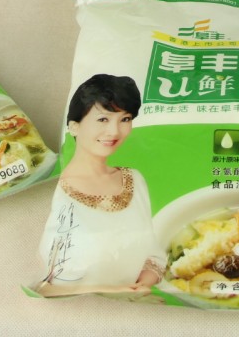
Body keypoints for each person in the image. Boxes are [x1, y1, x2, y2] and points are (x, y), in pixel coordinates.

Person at [37, 74, 164, 293]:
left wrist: (144, 282)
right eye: (103, 119)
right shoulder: (51, 189)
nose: (114, 131)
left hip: (136, 304)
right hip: (81, 309)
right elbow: (46, 286)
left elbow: (152, 254)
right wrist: (115, 291)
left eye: (125, 119)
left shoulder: (134, 179)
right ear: (74, 126)